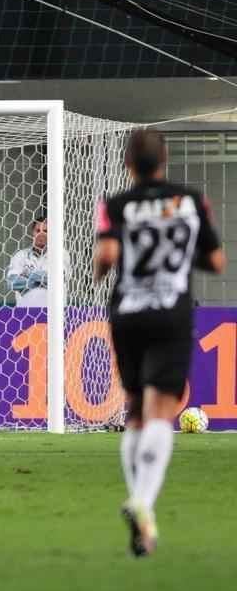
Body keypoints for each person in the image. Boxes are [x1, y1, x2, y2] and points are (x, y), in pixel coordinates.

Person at [94, 128, 224, 557]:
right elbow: (217, 259)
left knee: (135, 408)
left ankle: (140, 507)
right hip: (171, 312)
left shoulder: (116, 205)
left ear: (128, 163)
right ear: (164, 158)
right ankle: (143, 502)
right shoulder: (189, 200)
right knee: (160, 410)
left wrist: (103, 270)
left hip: (128, 313)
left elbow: (106, 259)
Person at [6, 216, 49, 307]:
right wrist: (42, 280)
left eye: (45, 231)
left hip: (53, 313)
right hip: (24, 313)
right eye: (38, 231)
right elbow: (12, 282)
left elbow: (55, 279)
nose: (41, 234)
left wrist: (27, 274)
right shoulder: (20, 256)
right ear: (32, 233)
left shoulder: (60, 255)